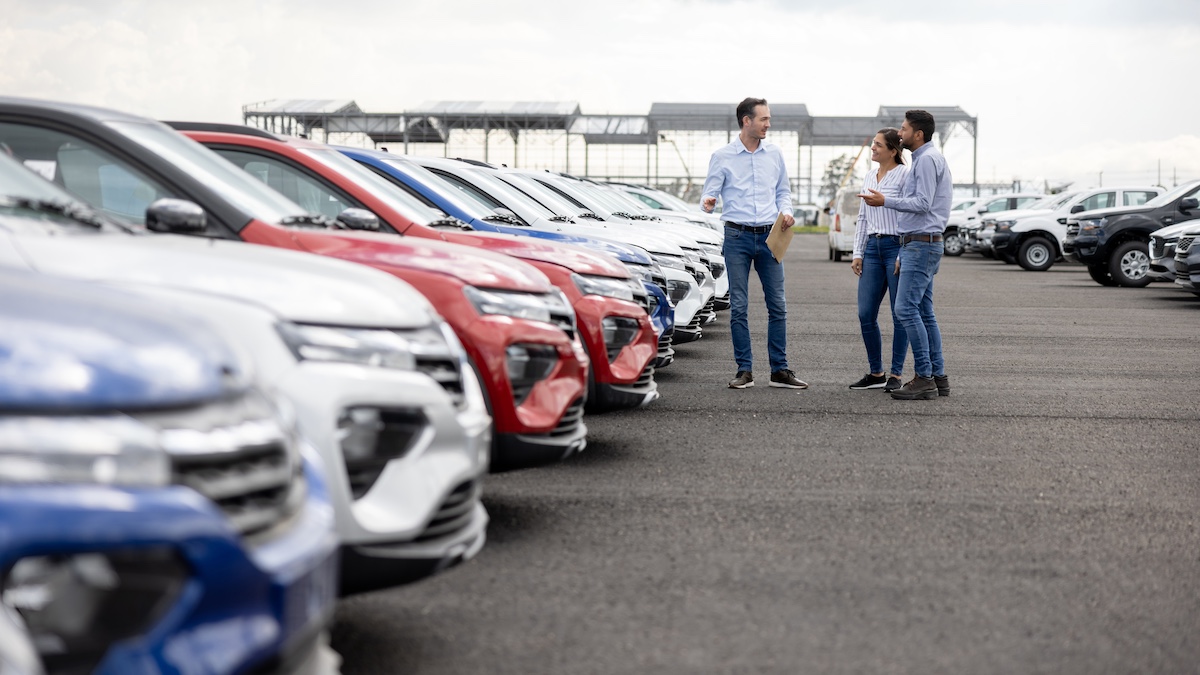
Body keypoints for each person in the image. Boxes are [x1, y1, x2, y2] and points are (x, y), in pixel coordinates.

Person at [701, 97, 805, 390]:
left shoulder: (774, 154)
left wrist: (787, 212)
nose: (768, 125)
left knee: (778, 306)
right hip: (737, 237)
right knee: (740, 306)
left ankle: (780, 370)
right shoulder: (722, 156)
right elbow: (708, 196)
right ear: (746, 121)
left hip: (770, 237)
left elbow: (783, 191)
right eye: (764, 120)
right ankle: (744, 370)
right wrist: (708, 202)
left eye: (768, 119)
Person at [861, 110, 952, 400]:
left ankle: (924, 377)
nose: (900, 134)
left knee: (906, 310)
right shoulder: (930, 159)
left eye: (904, 129)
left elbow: (923, 203)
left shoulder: (925, 160)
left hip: (921, 244)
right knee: (924, 312)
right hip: (920, 243)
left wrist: (885, 201)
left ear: (919, 134)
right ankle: (938, 378)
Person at [849, 128, 909, 392]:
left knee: (900, 315)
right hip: (872, 247)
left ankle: (896, 374)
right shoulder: (869, 175)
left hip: (896, 246)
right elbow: (862, 217)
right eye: (873, 144)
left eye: (877, 145)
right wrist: (858, 252)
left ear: (893, 150)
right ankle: (876, 373)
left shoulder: (905, 175)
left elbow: (910, 214)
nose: (872, 148)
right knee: (865, 314)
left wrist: (904, 253)